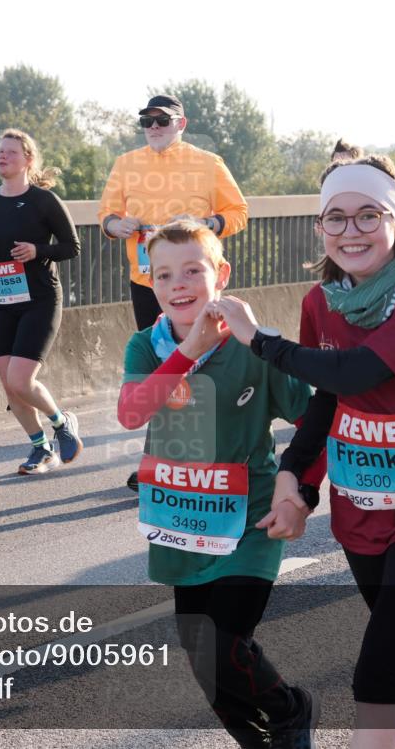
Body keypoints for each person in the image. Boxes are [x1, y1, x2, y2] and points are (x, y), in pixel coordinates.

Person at [215, 155, 395, 749]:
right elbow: (328, 398)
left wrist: (262, 341)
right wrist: (296, 478)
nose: (351, 231)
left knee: (380, 664)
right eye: (336, 217)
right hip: (364, 496)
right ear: (320, 228)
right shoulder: (320, 302)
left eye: (368, 215)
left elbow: (357, 370)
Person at [117, 221, 320, 748]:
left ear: (221, 274)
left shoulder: (255, 346)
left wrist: (299, 494)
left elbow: (313, 421)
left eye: (192, 270)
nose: (178, 284)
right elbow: (132, 413)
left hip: (249, 518)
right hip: (181, 520)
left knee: (226, 643)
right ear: (150, 282)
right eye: (164, 274)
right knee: (202, 658)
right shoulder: (145, 346)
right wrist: (190, 349)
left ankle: (291, 710)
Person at [100, 94, 248, 491]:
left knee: (202, 366)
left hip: (197, 287)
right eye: (146, 121)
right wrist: (116, 226)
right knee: (159, 369)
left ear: (181, 124)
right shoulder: (126, 164)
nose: (153, 128)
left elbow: (238, 213)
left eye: (162, 120)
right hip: (148, 282)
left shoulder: (208, 163)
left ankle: (214, 454)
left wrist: (206, 223)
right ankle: (158, 460)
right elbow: (107, 215)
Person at [0, 129, 83, 474]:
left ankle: (61, 422)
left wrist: (38, 250)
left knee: (21, 380)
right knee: (10, 385)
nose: (2, 156)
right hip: (3, 299)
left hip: (40, 299)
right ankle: (41, 448)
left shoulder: (43, 200)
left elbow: (71, 247)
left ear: (28, 160)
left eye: (11, 152)